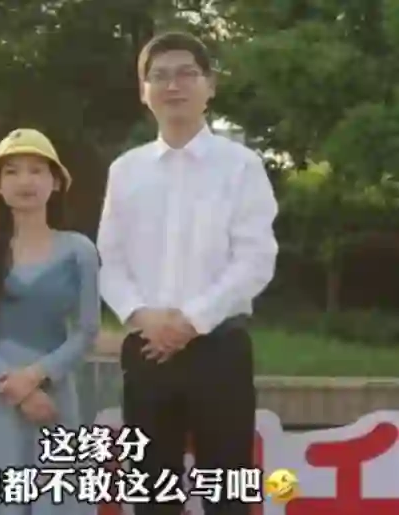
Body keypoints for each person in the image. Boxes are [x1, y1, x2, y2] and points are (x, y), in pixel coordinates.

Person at [97, 32, 278, 515]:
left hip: (220, 349)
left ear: (209, 85)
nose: (172, 85)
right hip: (147, 351)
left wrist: (191, 322)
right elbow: (109, 260)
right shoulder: (125, 171)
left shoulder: (241, 166)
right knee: (151, 494)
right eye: (159, 76)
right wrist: (144, 317)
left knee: (227, 493)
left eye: (186, 74)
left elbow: (255, 259)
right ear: (143, 91)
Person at [0, 128, 100, 515]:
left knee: (58, 496)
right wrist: (13, 384)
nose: (25, 181)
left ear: (56, 182)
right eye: (12, 171)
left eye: (37, 170)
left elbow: (86, 331)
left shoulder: (79, 250)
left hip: (53, 394)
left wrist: (36, 377)